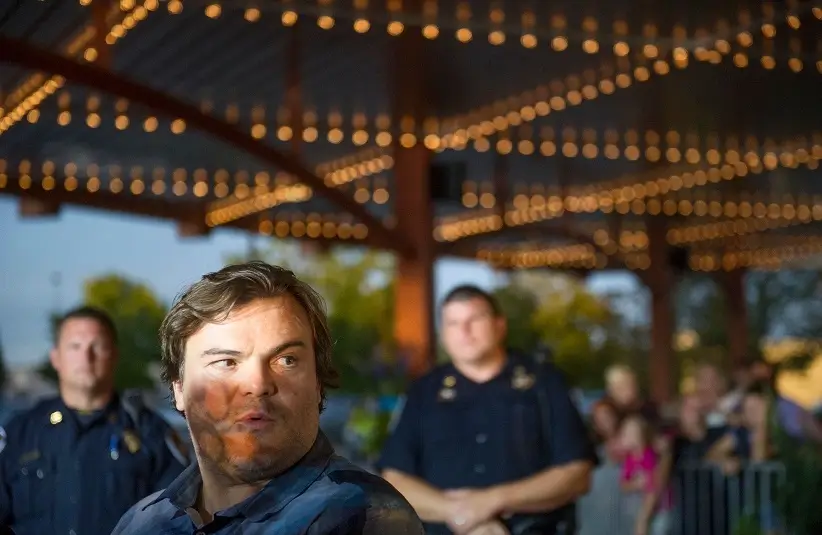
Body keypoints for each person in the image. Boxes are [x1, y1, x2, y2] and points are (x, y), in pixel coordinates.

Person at [112, 261, 423, 535]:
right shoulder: (141, 522)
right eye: (226, 362)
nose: (258, 384)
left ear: (317, 382)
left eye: (286, 360)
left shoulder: (360, 513)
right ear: (179, 388)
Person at [377, 285, 596, 535]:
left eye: (475, 319)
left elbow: (577, 473)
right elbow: (394, 478)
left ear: (499, 325)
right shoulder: (423, 391)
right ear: (444, 334)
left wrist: (493, 500)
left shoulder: (544, 384)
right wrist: (458, 513)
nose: (464, 331)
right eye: (453, 323)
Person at [0, 306, 189, 535]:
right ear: (56, 358)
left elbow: (179, 520)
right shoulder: (20, 433)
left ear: (114, 355)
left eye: (97, 346)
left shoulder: (150, 432)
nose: (86, 356)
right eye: (75, 346)